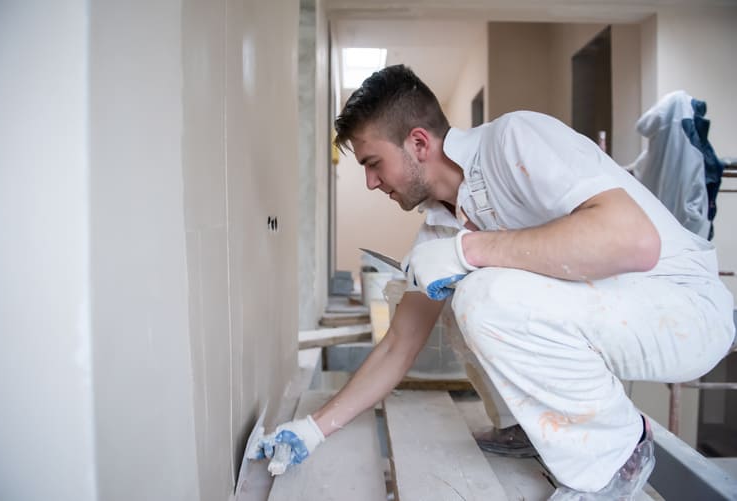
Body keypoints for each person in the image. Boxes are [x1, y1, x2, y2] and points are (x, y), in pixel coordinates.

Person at [250, 64, 735, 498]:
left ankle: (617, 458)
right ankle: (525, 426)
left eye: (373, 163)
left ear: (419, 143)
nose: (371, 183)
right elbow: (399, 345)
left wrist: (469, 252)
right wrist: (312, 429)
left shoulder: (514, 141)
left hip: (685, 307)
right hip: (621, 312)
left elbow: (634, 242)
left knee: (482, 290)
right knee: (461, 289)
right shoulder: (439, 229)